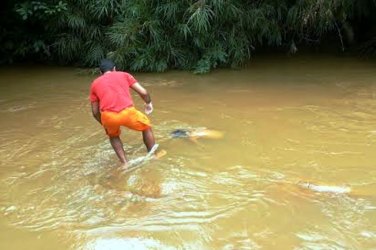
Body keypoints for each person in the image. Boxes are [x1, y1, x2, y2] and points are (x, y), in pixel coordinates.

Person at [89, 59, 158, 167]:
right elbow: (143, 92)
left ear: (100, 72)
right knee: (146, 127)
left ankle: (125, 163)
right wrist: (148, 103)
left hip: (108, 116)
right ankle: (152, 155)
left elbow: (94, 112)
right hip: (127, 112)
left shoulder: (95, 83)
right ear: (115, 69)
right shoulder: (124, 75)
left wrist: (104, 123)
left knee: (113, 136)